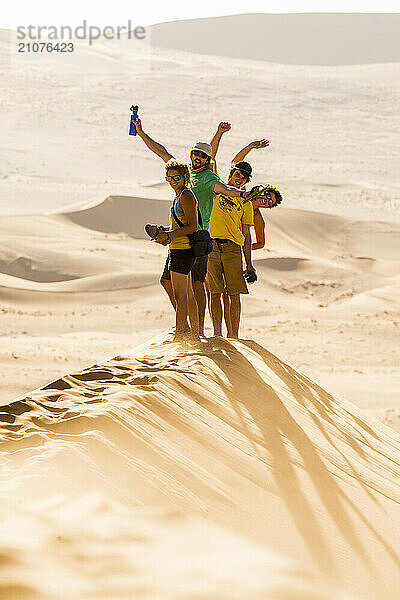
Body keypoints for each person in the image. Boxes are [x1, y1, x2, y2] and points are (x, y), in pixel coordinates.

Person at [132, 116, 252, 336]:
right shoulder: (184, 172)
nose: (198, 157)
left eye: (202, 156)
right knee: (169, 282)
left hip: (197, 236)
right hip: (180, 238)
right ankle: (186, 323)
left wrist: (242, 193)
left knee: (196, 285)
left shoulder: (208, 178)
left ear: (207, 160)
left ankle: (195, 330)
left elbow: (226, 189)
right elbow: (162, 152)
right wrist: (141, 132)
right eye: (195, 153)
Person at [206, 162, 256, 339]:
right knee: (214, 292)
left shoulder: (246, 203)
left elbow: (246, 234)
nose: (239, 178)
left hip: (232, 247)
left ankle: (233, 336)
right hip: (211, 245)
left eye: (243, 177)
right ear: (232, 172)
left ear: (246, 181)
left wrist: (249, 263)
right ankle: (217, 334)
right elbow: (212, 158)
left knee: (234, 293)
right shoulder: (217, 188)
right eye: (237, 173)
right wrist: (221, 133)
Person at [152, 160, 200, 343]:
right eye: (169, 178)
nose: (172, 181)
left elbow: (193, 226)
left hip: (183, 249)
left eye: (176, 177)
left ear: (185, 177)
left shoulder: (186, 196)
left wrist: (169, 235)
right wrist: (164, 231)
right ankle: (193, 334)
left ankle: (181, 336)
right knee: (185, 294)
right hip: (177, 248)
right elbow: (180, 224)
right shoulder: (179, 195)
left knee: (182, 295)